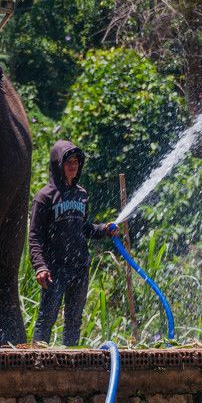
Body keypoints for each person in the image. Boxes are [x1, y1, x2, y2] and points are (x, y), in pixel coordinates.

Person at [29, 139, 119, 346]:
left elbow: (83, 228)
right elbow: (34, 236)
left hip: (79, 266)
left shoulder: (81, 194)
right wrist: (40, 266)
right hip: (54, 268)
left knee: (74, 320)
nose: (72, 166)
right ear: (57, 164)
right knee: (46, 318)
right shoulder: (44, 197)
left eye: (76, 162)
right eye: (67, 162)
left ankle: (70, 362)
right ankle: (37, 361)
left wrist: (104, 229)